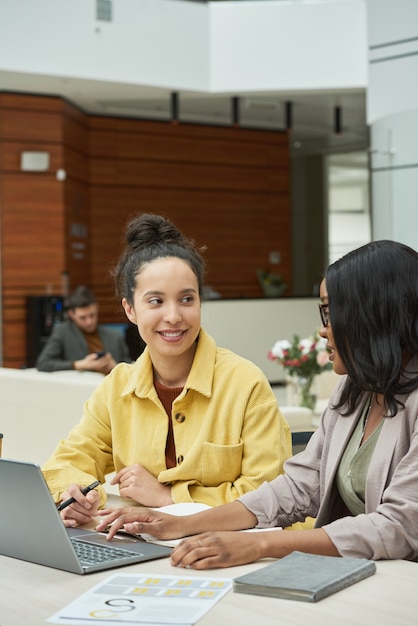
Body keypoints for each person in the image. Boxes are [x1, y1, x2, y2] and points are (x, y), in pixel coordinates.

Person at [97, 239, 418, 567]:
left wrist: (261, 544)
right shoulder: (355, 388)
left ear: (373, 316)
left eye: (330, 312)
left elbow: (397, 527)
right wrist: (180, 523)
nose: (322, 330)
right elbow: (301, 485)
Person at [42, 213, 291, 527]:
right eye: (156, 301)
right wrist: (77, 495)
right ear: (130, 309)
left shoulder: (245, 383)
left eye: (187, 299)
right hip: (139, 547)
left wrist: (168, 498)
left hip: (230, 551)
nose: (173, 316)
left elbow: (270, 495)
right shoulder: (117, 386)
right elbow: (66, 462)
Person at [36, 285, 131, 374]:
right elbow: (43, 363)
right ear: (72, 314)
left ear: (96, 308)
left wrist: (115, 367)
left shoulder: (114, 335)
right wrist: (79, 365)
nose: (89, 321)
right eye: (83, 317)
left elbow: (131, 369)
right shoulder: (63, 332)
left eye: (92, 315)